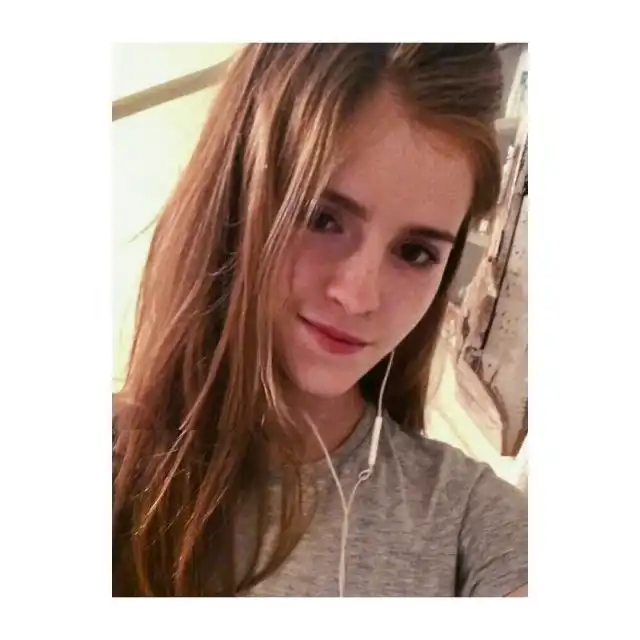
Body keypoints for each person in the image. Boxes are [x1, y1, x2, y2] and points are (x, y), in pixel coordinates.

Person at [112, 43, 528, 597]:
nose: (358, 296)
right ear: (235, 202)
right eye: (321, 218)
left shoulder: (469, 520)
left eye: (414, 253)